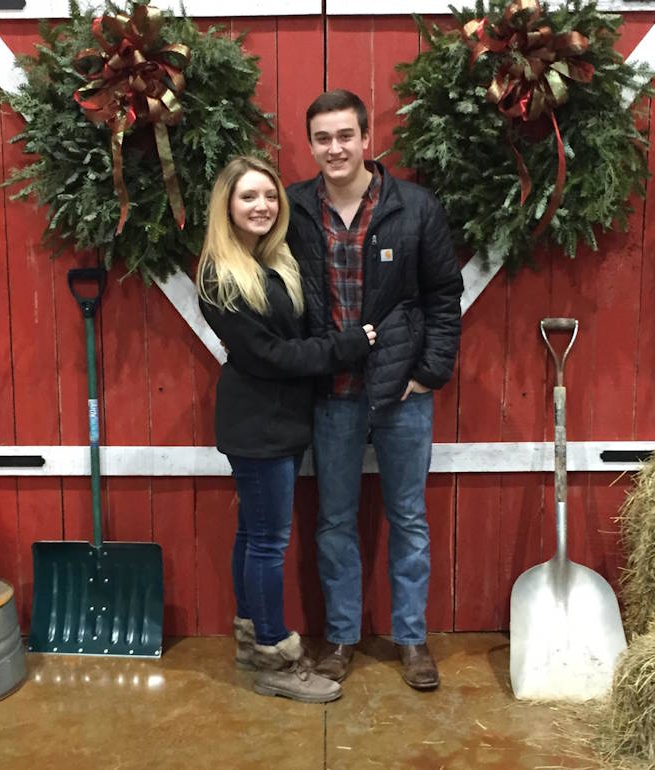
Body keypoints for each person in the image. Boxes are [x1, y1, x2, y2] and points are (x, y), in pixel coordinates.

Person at [286, 90, 463, 690]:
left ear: (367, 139)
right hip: (331, 391)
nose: (334, 148)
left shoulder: (414, 207)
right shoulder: (293, 211)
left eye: (344, 136)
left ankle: (412, 639)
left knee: (408, 518)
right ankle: (340, 638)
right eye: (322, 138)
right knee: (334, 521)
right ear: (310, 145)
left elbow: (444, 297)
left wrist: (429, 372)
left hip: (402, 394)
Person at [196, 155, 377, 703]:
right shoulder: (219, 275)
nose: (262, 206)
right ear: (226, 205)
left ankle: (253, 637)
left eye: (269, 196)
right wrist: (345, 348)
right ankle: (275, 654)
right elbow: (270, 355)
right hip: (257, 424)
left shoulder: (273, 263)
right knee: (269, 542)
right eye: (249, 196)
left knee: (255, 535)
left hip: (279, 421)